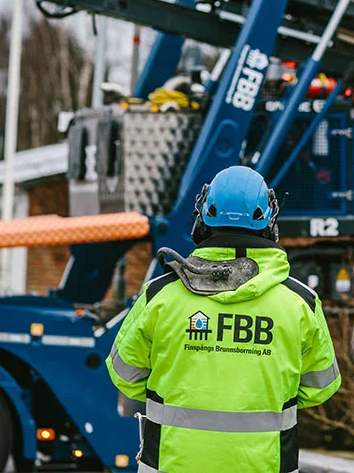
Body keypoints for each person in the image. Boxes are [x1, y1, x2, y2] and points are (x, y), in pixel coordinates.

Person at [106, 166, 341, 473]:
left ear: (202, 218)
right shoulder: (299, 303)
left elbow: (125, 374)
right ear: (269, 220)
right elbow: (320, 386)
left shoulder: (160, 295)